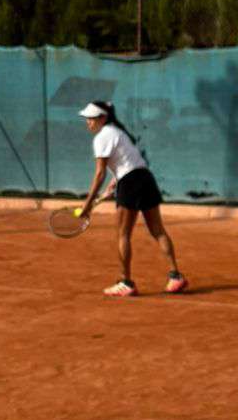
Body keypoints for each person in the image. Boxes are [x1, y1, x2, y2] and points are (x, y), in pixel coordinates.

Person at [76, 100, 187, 299]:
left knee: (123, 234)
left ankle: (126, 282)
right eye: (87, 119)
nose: (88, 123)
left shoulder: (102, 137)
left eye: (91, 119)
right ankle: (175, 276)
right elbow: (127, 162)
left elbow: (99, 173)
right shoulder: (119, 132)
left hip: (131, 183)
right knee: (158, 231)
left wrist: (87, 205)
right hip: (145, 178)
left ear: (102, 118)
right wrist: (115, 182)